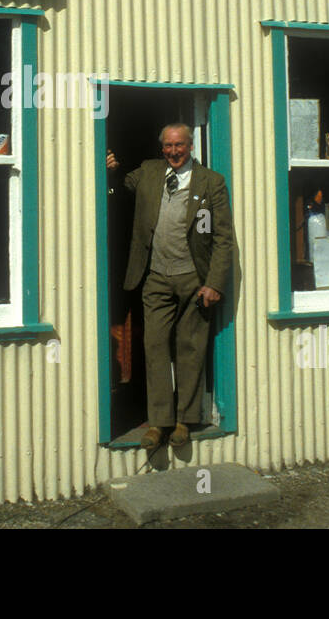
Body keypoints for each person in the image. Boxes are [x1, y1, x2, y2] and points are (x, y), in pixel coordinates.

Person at [106, 123, 235, 450]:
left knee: (190, 349)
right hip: (156, 276)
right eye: (168, 146)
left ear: (190, 145)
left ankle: (184, 421)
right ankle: (159, 422)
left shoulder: (211, 182)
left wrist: (214, 283)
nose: (173, 152)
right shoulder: (149, 172)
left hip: (194, 277)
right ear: (161, 147)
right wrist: (109, 167)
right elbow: (121, 187)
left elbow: (223, 238)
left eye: (179, 146)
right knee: (155, 347)